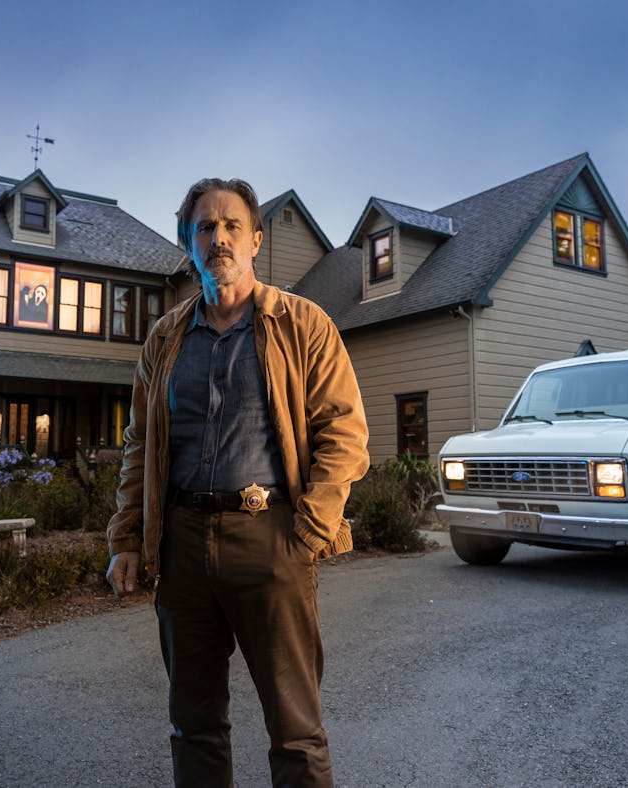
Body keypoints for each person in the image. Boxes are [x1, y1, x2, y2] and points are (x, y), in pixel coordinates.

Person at [106, 178, 369, 787]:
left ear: (255, 241)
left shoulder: (303, 324)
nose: (218, 238)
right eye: (204, 227)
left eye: (230, 227)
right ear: (188, 243)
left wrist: (309, 531)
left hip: (272, 538)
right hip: (182, 543)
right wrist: (126, 538)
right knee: (193, 726)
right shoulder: (164, 341)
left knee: (296, 731)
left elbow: (345, 434)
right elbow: (139, 445)